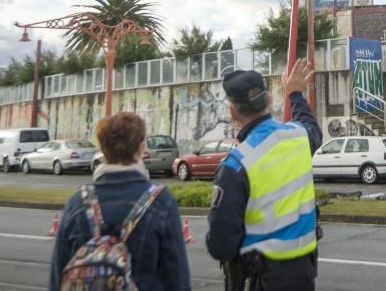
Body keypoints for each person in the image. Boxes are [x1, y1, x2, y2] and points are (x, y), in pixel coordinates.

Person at [206, 58, 322, 291]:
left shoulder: (235, 166)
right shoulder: (299, 136)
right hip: (304, 276)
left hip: (263, 279)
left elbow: (221, 245)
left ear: (232, 112)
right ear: (269, 99)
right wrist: (295, 94)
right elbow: (311, 126)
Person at [48, 112, 191, 291]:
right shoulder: (161, 201)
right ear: (141, 147)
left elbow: (57, 276)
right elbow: (177, 277)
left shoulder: (77, 202)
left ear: (104, 149)